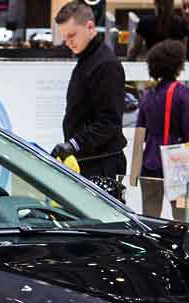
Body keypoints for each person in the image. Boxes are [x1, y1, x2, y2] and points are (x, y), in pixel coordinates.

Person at [51, 0, 128, 198]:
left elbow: (109, 122)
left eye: (71, 35)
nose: (68, 42)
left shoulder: (105, 65)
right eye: (65, 37)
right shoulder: (87, 60)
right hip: (87, 161)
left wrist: (74, 144)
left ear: (90, 27)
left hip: (102, 164)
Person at [130, 39, 189, 220]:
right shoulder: (183, 93)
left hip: (150, 162)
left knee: (151, 216)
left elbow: (140, 133)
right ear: (178, 64)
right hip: (177, 161)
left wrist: (134, 173)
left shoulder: (148, 96)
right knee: (183, 214)